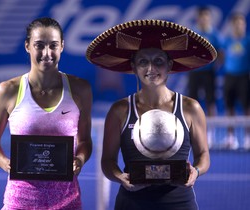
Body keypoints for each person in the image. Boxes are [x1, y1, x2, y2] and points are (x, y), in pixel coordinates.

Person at [86, 19, 215, 210]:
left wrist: (196, 171)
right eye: (143, 62)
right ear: (134, 66)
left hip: (179, 204)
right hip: (132, 203)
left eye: (158, 61)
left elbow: (203, 155)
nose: (151, 69)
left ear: (170, 65)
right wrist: (120, 177)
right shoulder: (119, 110)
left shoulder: (190, 107)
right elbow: (107, 161)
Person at [0, 17, 93, 209]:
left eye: (53, 45)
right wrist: (5, 163)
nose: (47, 53)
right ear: (27, 46)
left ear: (62, 47)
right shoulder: (6, 91)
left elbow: (85, 141)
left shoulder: (81, 89)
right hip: (19, 201)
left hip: (68, 202)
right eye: (39, 45)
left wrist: (80, 159)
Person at [187, 6, 222, 148]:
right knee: (191, 103)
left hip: (209, 73)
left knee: (210, 102)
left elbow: (221, 53)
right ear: (198, 17)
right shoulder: (192, 33)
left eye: (207, 16)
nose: (204, 18)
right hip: (194, 72)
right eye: (202, 16)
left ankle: (211, 135)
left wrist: (215, 66)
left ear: (209, 18)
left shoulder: (214, 34)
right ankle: (191, 133)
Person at [221, 13, 250, 150]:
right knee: (229, 108)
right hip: (230, 78)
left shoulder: (248, 40)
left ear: (244, 25)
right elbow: (221, 56)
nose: (239, 25)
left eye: (241, 23)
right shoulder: (227, 41)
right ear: (233, 26)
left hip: (244, 78)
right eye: (236, 23)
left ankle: (247, 138)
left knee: (247, 109)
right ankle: (231, 138)